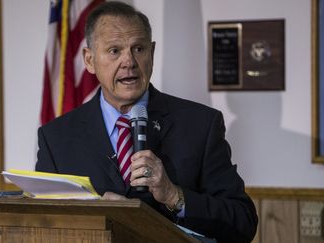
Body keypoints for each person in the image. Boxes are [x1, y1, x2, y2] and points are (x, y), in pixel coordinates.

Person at [36, 1, 258, 242]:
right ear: (89, 60)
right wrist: (94, 214)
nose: (129, 61)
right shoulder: (56, 138)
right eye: (114, 51)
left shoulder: (201, 125)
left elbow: (243, 222)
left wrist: (174, 196)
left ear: (151, 53)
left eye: (138, 49)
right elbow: (43, 223)